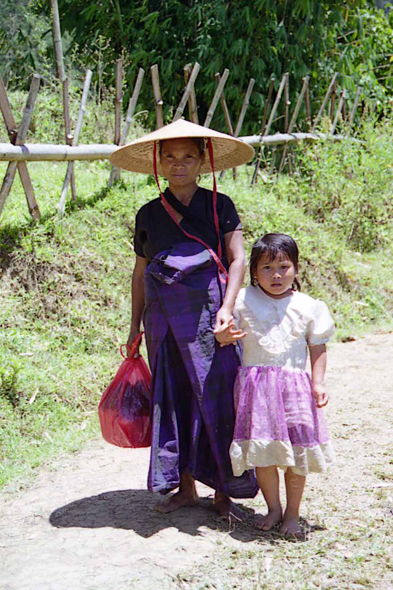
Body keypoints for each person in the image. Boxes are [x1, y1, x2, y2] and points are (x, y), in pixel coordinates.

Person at [110, 119, 258, 515]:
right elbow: (141, 272)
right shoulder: (148, 214)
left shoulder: (219, 205)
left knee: (217, 396)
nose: (179, 164)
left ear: (202, 161)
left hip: (211, 318)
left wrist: (227, 309)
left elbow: (238, 258)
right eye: (171, 157)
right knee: (173, 396)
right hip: (161, 321)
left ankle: (225, 489)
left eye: (188, 156)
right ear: (159, 162)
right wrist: (133, 325)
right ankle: (186, 487)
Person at [214, 233, 335, 535]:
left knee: (297, 454)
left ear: (296, 268)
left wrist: (318, 383)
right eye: (267, 268)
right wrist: (223, 336)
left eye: (284, 266)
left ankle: (293, 514)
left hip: (294, 390)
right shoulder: (241, 301)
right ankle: (273, 509)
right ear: (253, 272)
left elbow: (317, 346)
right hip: (256, 390)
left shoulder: (309, 306)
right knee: (264, 453)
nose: (276, 275)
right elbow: (222, 333)